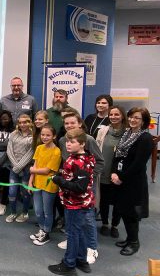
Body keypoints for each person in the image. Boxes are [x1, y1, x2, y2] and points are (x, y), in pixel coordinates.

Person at [58, 112, 104, 264]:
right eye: (66, 123)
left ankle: (91, 248)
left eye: (72, 123)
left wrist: (87, 178)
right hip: (70, 189)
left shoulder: (87, 140)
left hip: (83, 187)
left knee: (87, 218)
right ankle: (74, 242)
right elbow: (68, 162)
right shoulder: (63, 140)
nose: (69, 126)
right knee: (73, 219)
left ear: (80, 124)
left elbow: (99, 162)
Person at [48, 128, 95, 276]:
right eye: (67, 141)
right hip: (79, 202)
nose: (68, 144)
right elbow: (75, 178)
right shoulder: (80, 157)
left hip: (76, 204)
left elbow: (79, 187)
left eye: (72, 142)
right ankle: (81, 260)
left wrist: (58, 180)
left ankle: (69, 264)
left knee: (73, 233)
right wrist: (63, 174)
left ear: (82, 144)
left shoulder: (79, 162)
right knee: (78, 231)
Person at [111, 107, 153, 256]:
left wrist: (121, 177)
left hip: (133, 181)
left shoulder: (145, 138)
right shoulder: (126, 134)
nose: (132, 120)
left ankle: (134, 243)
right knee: (123, 209)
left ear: (144, 121)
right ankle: (129, 238)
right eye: (131, 117)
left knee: (132, 213)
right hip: (121, 179)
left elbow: (138, 164)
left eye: (137, 118)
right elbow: (118, 156)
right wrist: (115, 173)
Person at [96, 105, 127, 238]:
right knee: (103, 199)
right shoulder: (104, 130)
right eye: (111, 114)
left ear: (122, 116)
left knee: (118, 200)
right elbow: (97, 148)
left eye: (117, 114)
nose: (113, 117)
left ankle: (115, 225)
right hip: (104, 170)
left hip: (119, 172)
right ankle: (104, 223)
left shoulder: (128, 132)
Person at [28, 124, 61, 246]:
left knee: (47, 211)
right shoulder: (39, 148)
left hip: (49, 185)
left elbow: (47, 170)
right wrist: (31, 180)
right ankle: (42, 229)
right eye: (43, 135)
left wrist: (32, 170)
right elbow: (35, 165)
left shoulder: (56, 151)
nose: (45, 137)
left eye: (48, 135)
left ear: (54, 136)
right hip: (37, 183)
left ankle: (46, 232)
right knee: (38, 210)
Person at [5, 114, 34, 223]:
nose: (22, 124)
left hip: (26, 169)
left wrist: (19, 166)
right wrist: (15, 166)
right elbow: (9, 150)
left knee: (25, 193)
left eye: (25, 122)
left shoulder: (33, 136)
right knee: (12, 192)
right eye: (20, 122)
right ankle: (13, 213)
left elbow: (30, 153)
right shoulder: (13, 134)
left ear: (30, 122)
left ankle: (25, 213)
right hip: (14, 168)